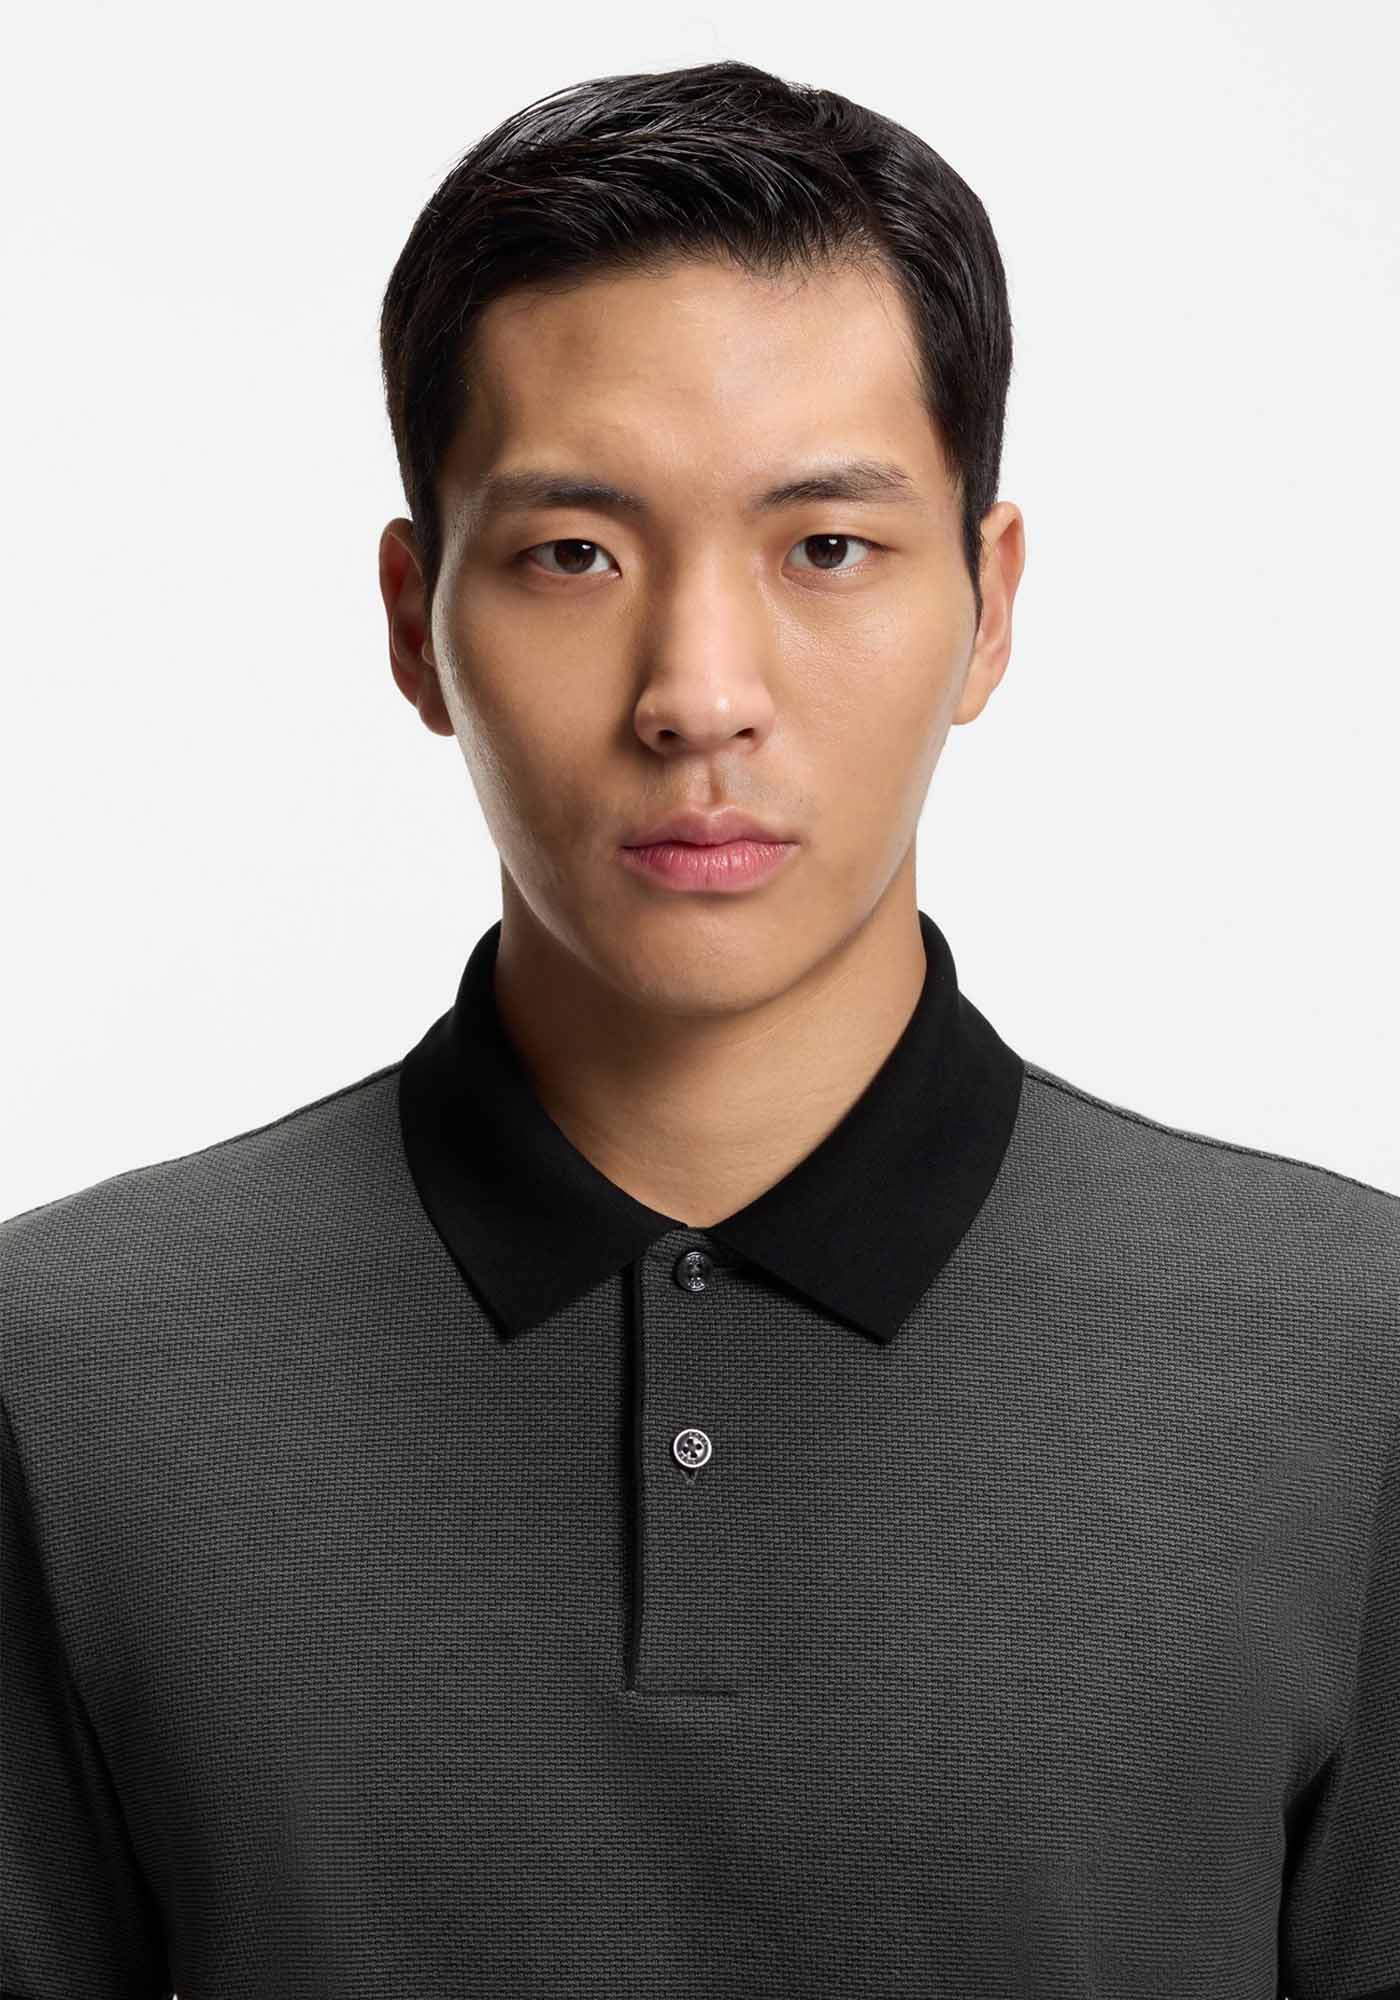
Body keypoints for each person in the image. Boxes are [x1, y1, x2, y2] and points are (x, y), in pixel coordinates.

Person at [3, 57, 1395, 2000]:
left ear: (986, 605)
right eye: (572, 553)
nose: (697, 692)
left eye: (825, 547)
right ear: (415, 621)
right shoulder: (60, 1374)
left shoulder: (1354, 1361)